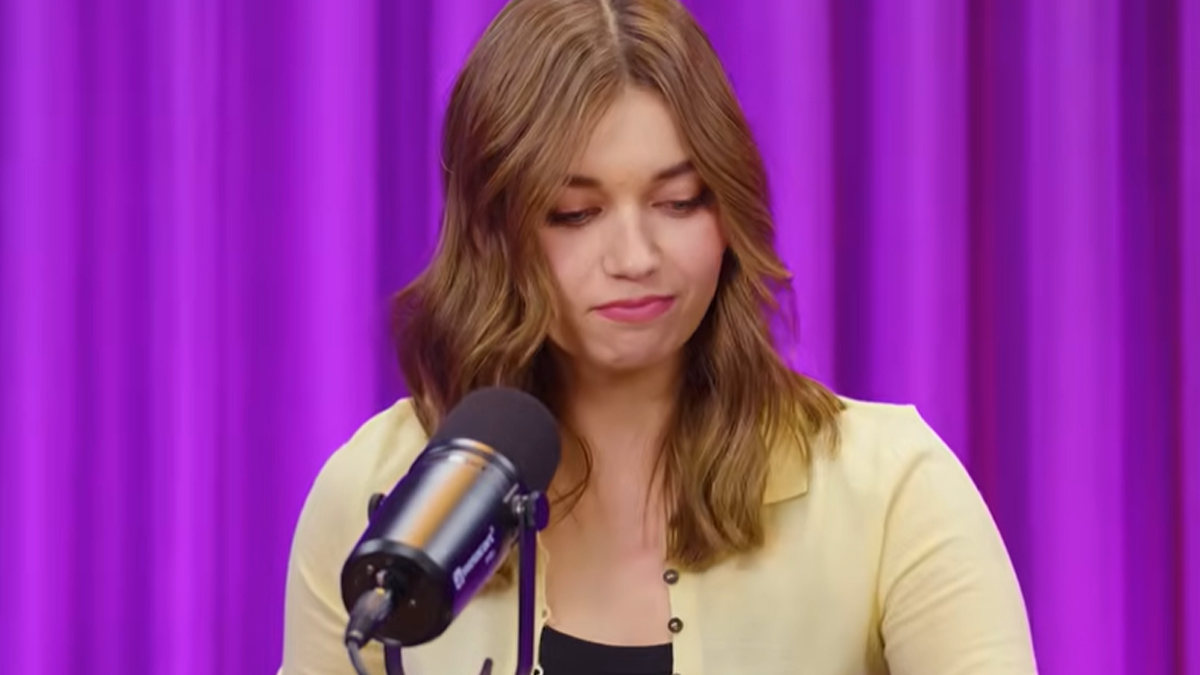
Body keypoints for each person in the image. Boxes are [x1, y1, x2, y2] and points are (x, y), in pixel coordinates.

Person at [280, 0, 1037, 673]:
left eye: (678, 202)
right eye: (575, 214)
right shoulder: (377, 496)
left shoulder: (892, 489)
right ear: (490, 234)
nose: (636, 257)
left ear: (729, 212)